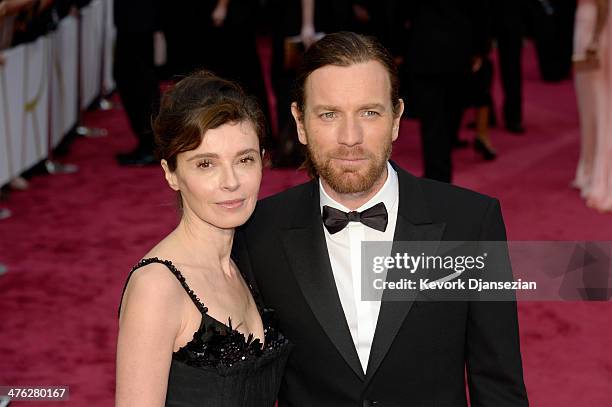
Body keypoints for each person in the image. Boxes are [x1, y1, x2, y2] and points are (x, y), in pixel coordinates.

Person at [235, 32, 529, 406]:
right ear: (300, 122)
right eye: (329, 114)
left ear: (396, 119)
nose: (350, 137)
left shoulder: (471, 224)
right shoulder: (258, 232)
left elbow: (499, 385)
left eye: (369, 113)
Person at [116, 71, 291, 406]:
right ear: (171, 173)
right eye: (206, 164)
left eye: (244, 160)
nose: (231, 182)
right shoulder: (157, 287)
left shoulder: (248, 259)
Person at [573, 0, 612, 212]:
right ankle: (588, 168)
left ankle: (601, 174)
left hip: (594, 34)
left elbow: (605, 5)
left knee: (599, 107)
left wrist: (596, 39)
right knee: (588, 107)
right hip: (584, 27)